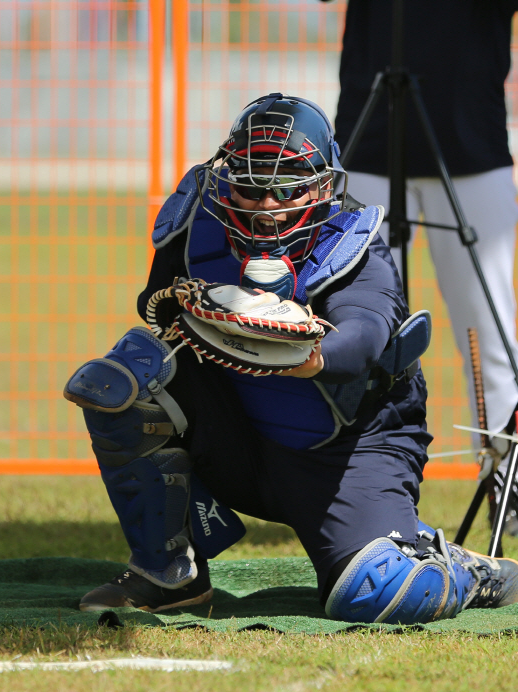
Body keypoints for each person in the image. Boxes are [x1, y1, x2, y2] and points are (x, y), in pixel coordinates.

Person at [64, 94, 518, 623]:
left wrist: (302, 349)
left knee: (380, 590)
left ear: (325, 187)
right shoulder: (198, 221)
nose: (266, 205)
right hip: (234, 427)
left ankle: (461, 568)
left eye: (287, 188)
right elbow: (156, 305)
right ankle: (168, 576)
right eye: (251, 187)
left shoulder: (353, 243)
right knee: (121, 380)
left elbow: (365, 338)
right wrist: (203, 313)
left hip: (345, 450)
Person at [326, 0, 518, 451]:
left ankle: (504, 481)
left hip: (470, 140)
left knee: (485, 331)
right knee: (352, 325)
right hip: (370, 133)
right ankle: (352, 479)